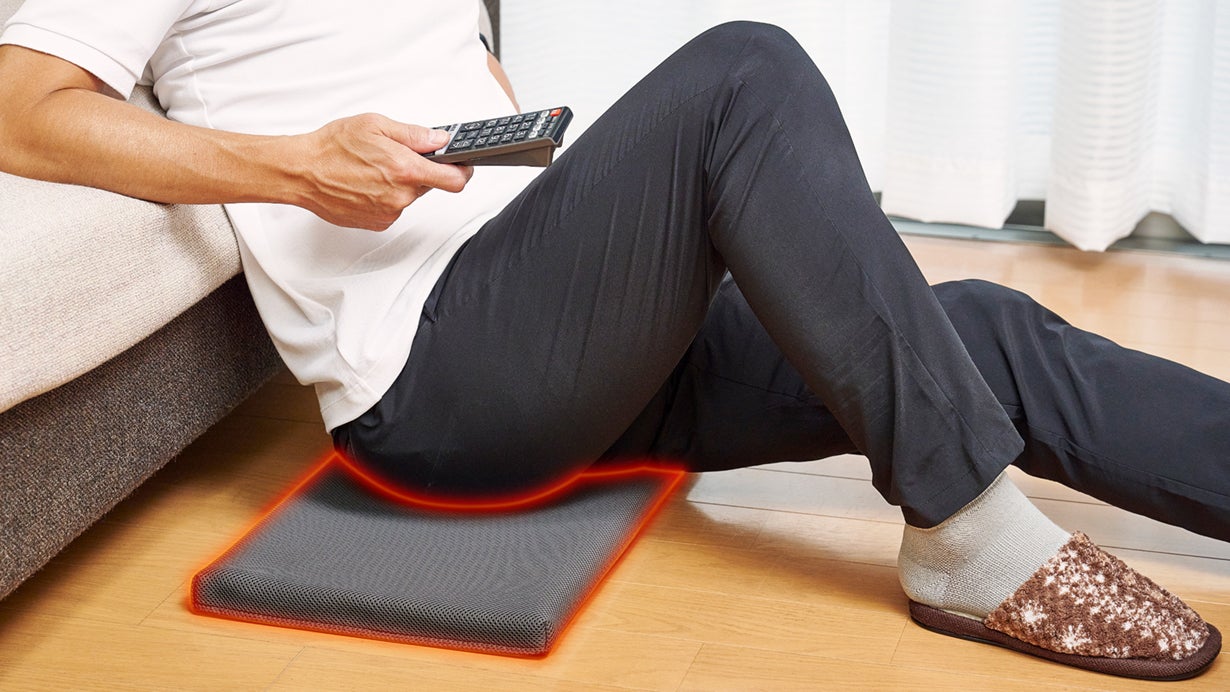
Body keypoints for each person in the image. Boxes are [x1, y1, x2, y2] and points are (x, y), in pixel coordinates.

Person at [0, 0, 1225, 680]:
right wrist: (297, 168)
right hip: (435, 381)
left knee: (980, 329)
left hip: (564, 337)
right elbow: (22, 108)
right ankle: (968, 533)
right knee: (746, 69)